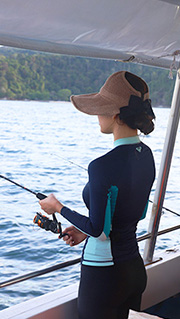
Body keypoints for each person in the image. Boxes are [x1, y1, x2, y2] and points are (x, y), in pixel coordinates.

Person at [39, 71, 156, 319]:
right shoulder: (147, 155)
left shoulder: (101, 166)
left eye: (100, 109)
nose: (96, 116)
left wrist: (57, 207)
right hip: (134, 270)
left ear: (115, 115)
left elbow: (99, 231)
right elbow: (135, 213)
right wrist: (83, 230)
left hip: (105, 276)